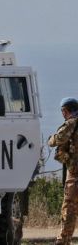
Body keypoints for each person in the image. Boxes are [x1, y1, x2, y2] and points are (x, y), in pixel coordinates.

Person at [48, 97, 78, 245]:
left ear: (66, 111)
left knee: (69, 209)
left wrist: (50, 140)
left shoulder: (72, 123)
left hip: (75, 174)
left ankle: (63, 241)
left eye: (63, 111)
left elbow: (59, 139)